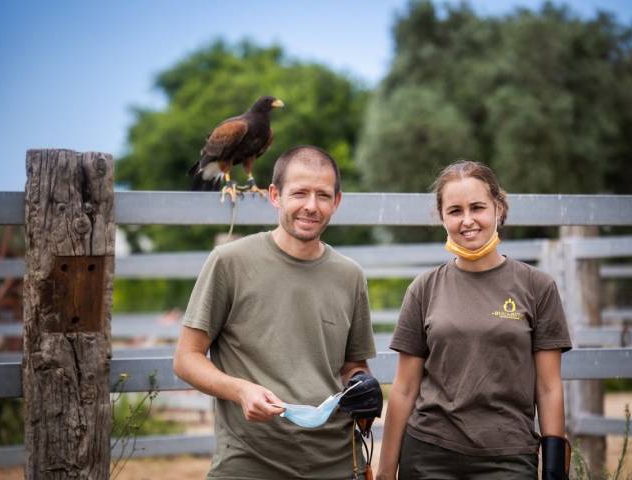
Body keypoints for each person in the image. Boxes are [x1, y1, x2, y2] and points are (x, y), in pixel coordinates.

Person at [173, 145, 378, 480]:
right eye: (299, 193)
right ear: (274, 195)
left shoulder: (350, 275)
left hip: (337, 464)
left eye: (323, 195)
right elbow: (186, 358)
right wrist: (241, 390)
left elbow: (353, 366)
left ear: (336, 202)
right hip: (249, 464)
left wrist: (362, 385)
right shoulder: (230, 262)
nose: (311, 206)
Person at [377, 160, 572, 480]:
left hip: (508, 458)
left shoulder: (538, 287)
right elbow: (404, 388)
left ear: (498, 208)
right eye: (455, 211)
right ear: (442, 217)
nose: (467, 221)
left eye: (478, 207)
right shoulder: (424, 288)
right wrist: (385, 472)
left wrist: (554, 470)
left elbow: (549, 387)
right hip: (428, 455)